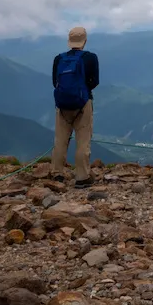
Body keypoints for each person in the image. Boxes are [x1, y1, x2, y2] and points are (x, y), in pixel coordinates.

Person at [51, 26, 100, 187]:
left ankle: (57, 174)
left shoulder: (59, 59)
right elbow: (94, 82)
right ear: (84, 41)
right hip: (83, 104)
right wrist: (82, 92)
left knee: (60, 140)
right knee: (83, 141)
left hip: (62, 106)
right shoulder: (91, 58)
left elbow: (55, 82)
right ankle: (82, 177)